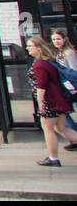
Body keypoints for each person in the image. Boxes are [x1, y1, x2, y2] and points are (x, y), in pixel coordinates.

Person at [27, 36, 77, 166]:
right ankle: (53, 157)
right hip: (60, 100)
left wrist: (40, 102)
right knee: (62, 129)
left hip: (49, 102)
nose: (28, 48)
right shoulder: (50, 61)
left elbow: (41, 85)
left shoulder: (39, 65)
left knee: (48, 129)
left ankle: (53, 158)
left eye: (30, 46)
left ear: (38, 48)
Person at [51, 29, 77, 140]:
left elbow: (73, 71)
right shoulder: (59, 53)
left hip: (72, 87)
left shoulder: (68, 52)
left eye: (58, 39)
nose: (56, 41)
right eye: (54, 39)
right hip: (66, 86)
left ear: (64, 39)